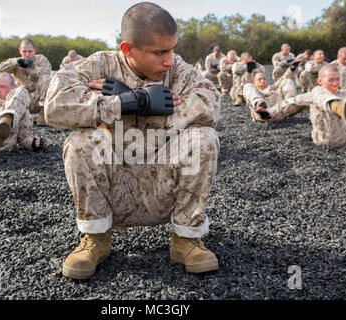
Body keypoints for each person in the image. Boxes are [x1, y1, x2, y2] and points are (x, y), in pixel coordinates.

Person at [45, 2, 221, 279]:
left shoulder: (179, 70)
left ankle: (186, 239)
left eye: (172, 49)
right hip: (114, 186)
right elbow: (54, 107)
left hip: (161, 185)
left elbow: (210, 103)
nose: (169, 60)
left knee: (203, 138)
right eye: (160, 52)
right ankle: (96, 237)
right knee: (79, 141)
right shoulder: (99, 65)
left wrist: (150, 111)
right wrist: (124, 102)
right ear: (127, 49)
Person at [262, 65, 346, 147]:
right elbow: (289, 104)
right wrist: (268, 113)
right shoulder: (314, 94)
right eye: (331, 80)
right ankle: (336, 106)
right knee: (317, 91)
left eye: (337, 79)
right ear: (320, 81)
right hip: (330, 139)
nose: (335, 83)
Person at [0, 38, 52, 126]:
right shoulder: (17, 61)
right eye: (24, 51)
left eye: (30, 51)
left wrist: (33, 67)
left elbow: (46, 75)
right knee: (15, 92)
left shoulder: (41, 59)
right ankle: (8, 121)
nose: (27, 54)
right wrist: (16, 63)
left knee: (46, 78)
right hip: (23, 99)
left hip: (40, 99)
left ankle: (43, 113)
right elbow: (1, 70)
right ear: (20, 51)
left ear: (34, 51)